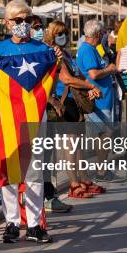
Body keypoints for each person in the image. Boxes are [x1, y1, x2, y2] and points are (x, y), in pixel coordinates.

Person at [0, 0, 60, 244]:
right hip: (7, 119)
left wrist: (56, 59)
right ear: (7, 23)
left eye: (27, 19)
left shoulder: (42, 49)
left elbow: (52, 80)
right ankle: (12, 222)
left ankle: (35, 224)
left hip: (36, 119)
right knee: (9, 169)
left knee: (34, 171)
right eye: (18, 20)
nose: (24, 24)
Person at [44, 20, 104, 200]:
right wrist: (88, 84)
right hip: (64, 102)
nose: (63, 36)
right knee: (70, 146)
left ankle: (84, 178)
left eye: (65, 32)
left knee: (79, 145)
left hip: (75, 102)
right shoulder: (54, 54)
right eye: (59, 33)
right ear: (52, 35)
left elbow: (76, 75)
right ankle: (73, 183)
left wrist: (89, 89)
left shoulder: (67, 54)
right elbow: (67, 79)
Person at [76, 19, 118, 182]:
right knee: (104, 135)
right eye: (102, 33)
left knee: (105, 135)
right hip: (98, 101)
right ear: (98, 34)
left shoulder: (91, 49)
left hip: (104, 98)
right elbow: (93, 74)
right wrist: (110, 69)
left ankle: (102, 169)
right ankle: (101, 171)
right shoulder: (87, 50)